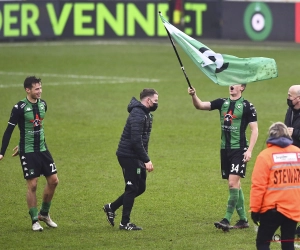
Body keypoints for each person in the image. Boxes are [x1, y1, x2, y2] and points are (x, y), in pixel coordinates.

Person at [188, 84, 258, 231]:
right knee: (236, 185)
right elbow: (200, 105)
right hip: (225, 150)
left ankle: (226, 219)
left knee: (232, 183)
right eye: (230, 83)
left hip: (239, 150)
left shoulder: (247, 106)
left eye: (235, 83)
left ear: (242, 88)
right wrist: (194, 95)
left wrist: (249, 150)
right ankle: (243, 220)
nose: (231, 85)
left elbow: (254, 130)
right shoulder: (222, 103)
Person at [0, 76, 59, 231]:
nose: (40, 91)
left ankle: (44, 214)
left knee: (54, 181)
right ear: (28, 90)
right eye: (36, 89)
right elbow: (9, 131)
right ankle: (34, 220)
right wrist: (2, 152)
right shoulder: (19, 108)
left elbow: (37, 127)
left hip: (42, 148)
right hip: (29, 151)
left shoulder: (43, 104)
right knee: (32, 185)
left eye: (40, 88)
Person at [103, 88, 158, 231]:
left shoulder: (146, 114)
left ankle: (111, 207)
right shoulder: (138, 114)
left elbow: (143, 140)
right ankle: (124, 223)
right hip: (128, 156)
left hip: (136, 156)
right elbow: (135, 141)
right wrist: (146, 159)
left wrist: (143, 158)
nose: (157, 104)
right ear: (148, 100)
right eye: (155, 101)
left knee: (140, 187)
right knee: (132, 187)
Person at [250, 122, 300, 250]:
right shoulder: (298, 153)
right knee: (288, 243)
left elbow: (258, 186)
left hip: (272, 209)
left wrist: (255, 209)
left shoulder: (265, 156)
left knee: (263, 242)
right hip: (293, 208)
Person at [284, 85, 300, 238]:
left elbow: (292, 131)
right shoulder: (290, 110)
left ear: (299, 99)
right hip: (291, 156)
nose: (288, 98)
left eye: (290, 95)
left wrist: (295, 132)